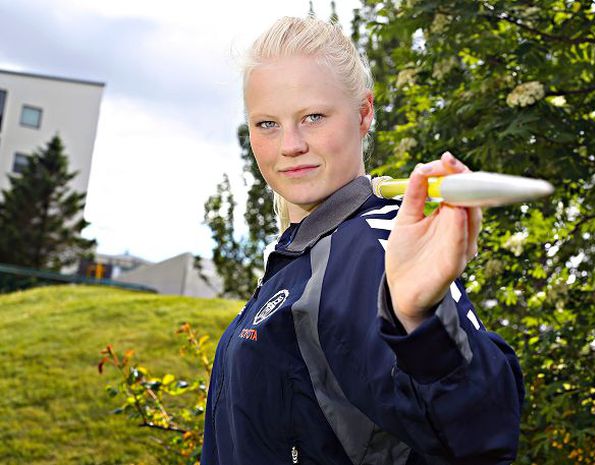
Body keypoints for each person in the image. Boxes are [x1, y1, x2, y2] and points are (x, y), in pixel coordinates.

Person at [202, 16, 524, 465]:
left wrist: (418, 320)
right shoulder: (297, 257)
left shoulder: (373, 247)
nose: (289, 144)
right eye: (267, 123)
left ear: (364, 113)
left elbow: (482, 435)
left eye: (313, 117)